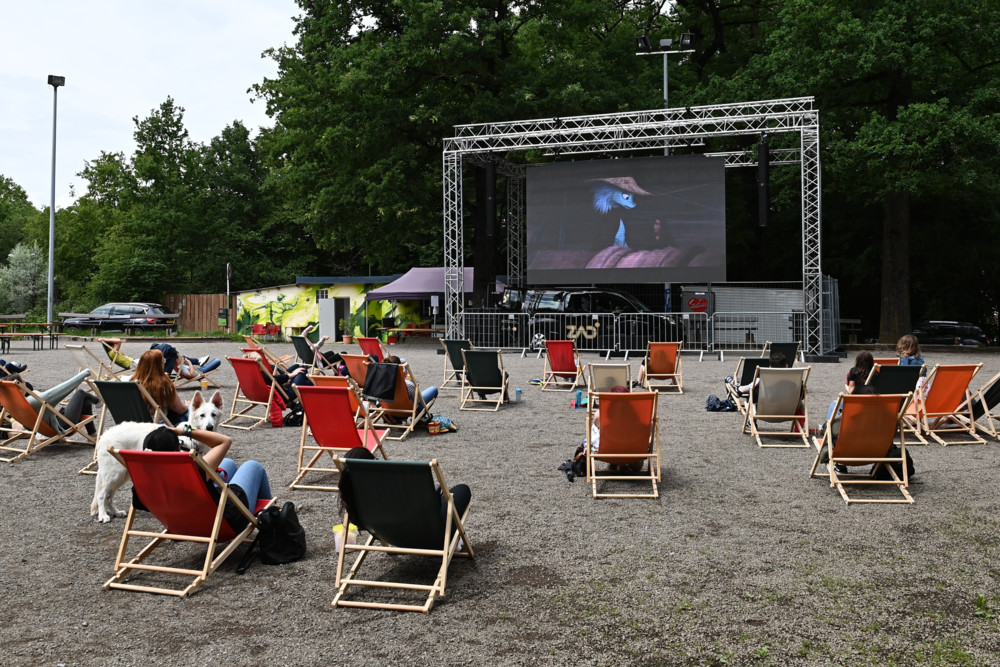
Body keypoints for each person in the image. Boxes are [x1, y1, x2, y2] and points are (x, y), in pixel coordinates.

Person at [142, 426, 272, 532]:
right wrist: (183, 431)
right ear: (177, 449)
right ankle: (271, 522)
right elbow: (225, 441)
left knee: (228, 463)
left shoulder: (144, 479)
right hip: (224, 523)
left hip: (183, 525)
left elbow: (140, 503)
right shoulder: (192, 471)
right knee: (253, 466)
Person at [338, 446, 470, 529]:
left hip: (389, 534)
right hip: (428, 532)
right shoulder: (391, 488)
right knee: (461, 490)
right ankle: (450, 539)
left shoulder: (357, 501)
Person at [23, 369, 100, 436]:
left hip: (51, 427)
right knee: (80, 393)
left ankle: (92, 434)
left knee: (86, 401)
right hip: (63, 426)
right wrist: (84, 374)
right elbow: (58, 391)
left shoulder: (21, 403)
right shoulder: (33, 401)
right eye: (23, 381)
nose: (25, 382)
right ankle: (98, 401)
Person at [132, 348, 189, 424]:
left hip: (135, 425)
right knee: (191, 412)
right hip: (158, 427)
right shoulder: (163, 384)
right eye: (163, 361)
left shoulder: (131, 382)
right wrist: (188, 406)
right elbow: (180, 409)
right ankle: (189, 433)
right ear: (159, 365)